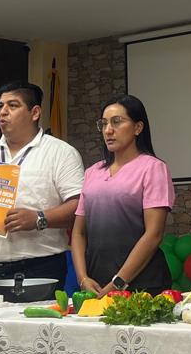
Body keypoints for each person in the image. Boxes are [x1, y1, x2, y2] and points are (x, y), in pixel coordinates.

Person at [0, 81, 84, 285]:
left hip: (39, 270)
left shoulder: (60, 153)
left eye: (13, 105)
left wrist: (39, 218)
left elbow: (80, 207)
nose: (3, 112)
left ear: (34, 113)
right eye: (0, 106)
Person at [71, 95, 175, 296]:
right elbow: (78, 233)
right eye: (104, 124)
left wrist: (118, 283)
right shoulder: (92, 172)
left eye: (117, 122)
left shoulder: (153, 168)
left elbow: (153, 234)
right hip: (96, 284)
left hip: (142, 285)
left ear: (138, 128)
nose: (108, 130)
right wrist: (83, 279)